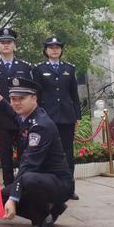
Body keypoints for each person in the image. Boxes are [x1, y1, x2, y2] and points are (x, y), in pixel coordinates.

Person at [0, 77, 73, 227]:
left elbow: (28, 164)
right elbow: (15, 117)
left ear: (34, 98)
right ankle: (54, 208)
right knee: (0, 198)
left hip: (58, 183)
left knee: (27, 179)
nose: (16, 103)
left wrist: (14, 199)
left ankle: (43, 220)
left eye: (21, 98)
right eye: (13, 99)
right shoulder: (29, 116)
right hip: (39, 177)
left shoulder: (40, 126)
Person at [32, 36, 81, 200]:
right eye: (51, 47)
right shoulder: (38, 69)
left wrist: (77, 117)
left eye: (57, 47)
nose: (54, 50)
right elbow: (36, 95)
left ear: (61, 50)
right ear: (45, 50)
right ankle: (49, 187)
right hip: (48, 117)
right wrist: (37, 116)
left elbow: (74, 94)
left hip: (67, 117)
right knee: (46, 151)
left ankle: (69, 188)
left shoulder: (69, 68)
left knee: (68, 153)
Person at [0, 27, 32, 186]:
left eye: (9, 42)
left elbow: (31, 92)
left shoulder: (25, 67)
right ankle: (8, 187)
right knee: (5, 155)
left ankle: (23, 185)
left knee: (23, 154)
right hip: (3, 118)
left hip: (22, 117)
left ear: (14, 45)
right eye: (2, 42)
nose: (5, 45)